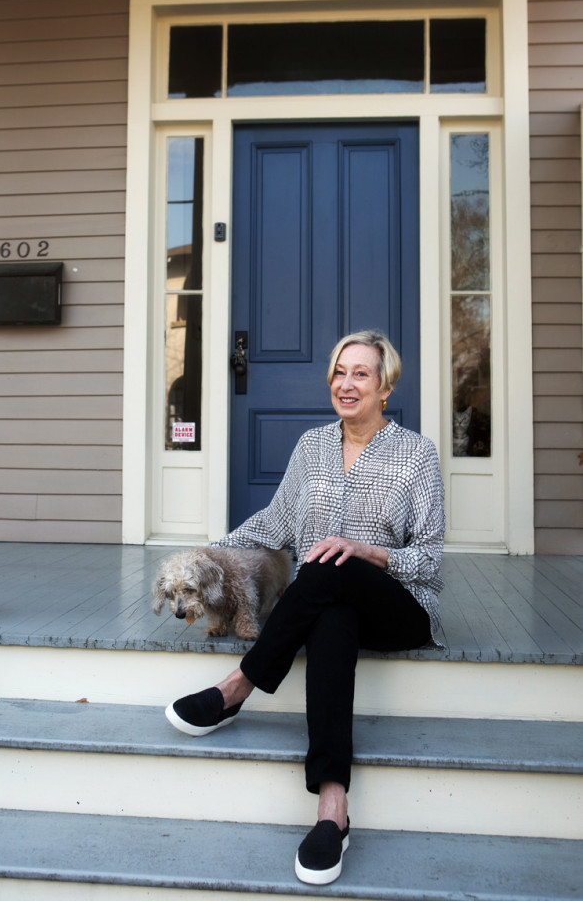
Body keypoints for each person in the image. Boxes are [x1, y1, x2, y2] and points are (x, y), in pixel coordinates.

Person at [165, 330, 445, 886]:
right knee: (331, 613)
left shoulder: (418, 454)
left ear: (385, 386)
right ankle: (332, 811)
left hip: (401, 606)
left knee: (327, 566)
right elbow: (277, 523)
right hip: (328, 605)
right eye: (340, 373)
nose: (346, 384)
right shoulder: (313, 447)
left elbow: (431, 560)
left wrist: (367, 551)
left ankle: (237, 688)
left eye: (361, 373)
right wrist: (210, 553)